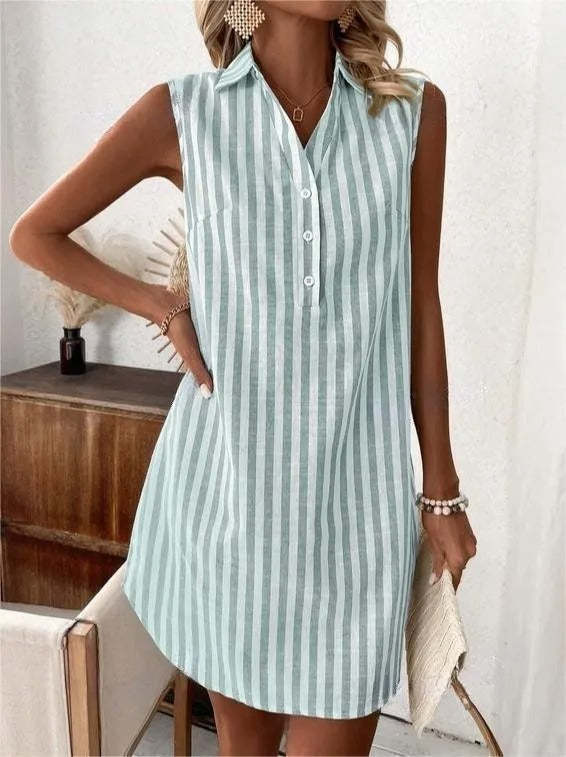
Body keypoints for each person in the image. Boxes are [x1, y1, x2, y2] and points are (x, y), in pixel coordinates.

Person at [9, 1, 477, 754]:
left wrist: (442, 492)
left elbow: (423, 306)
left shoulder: (412, 114)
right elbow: (36, 234)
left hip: (356, 521)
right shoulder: (185, 113)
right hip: (229, 511)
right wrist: (160, 304)